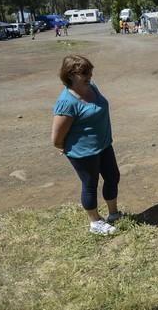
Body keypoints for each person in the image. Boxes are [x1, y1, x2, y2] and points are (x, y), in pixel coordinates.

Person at [51, 55, 123, 235]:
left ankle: (113, 213)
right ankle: (95, 222)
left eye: (89, 71)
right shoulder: (67, 102)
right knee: (90, 184)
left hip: (104, 144)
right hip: (83, 152)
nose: (89, 75)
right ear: (70, 75)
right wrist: (61, 146)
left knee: (113, 176)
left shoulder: (91, 87)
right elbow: (56, 136)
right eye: (84, 73)